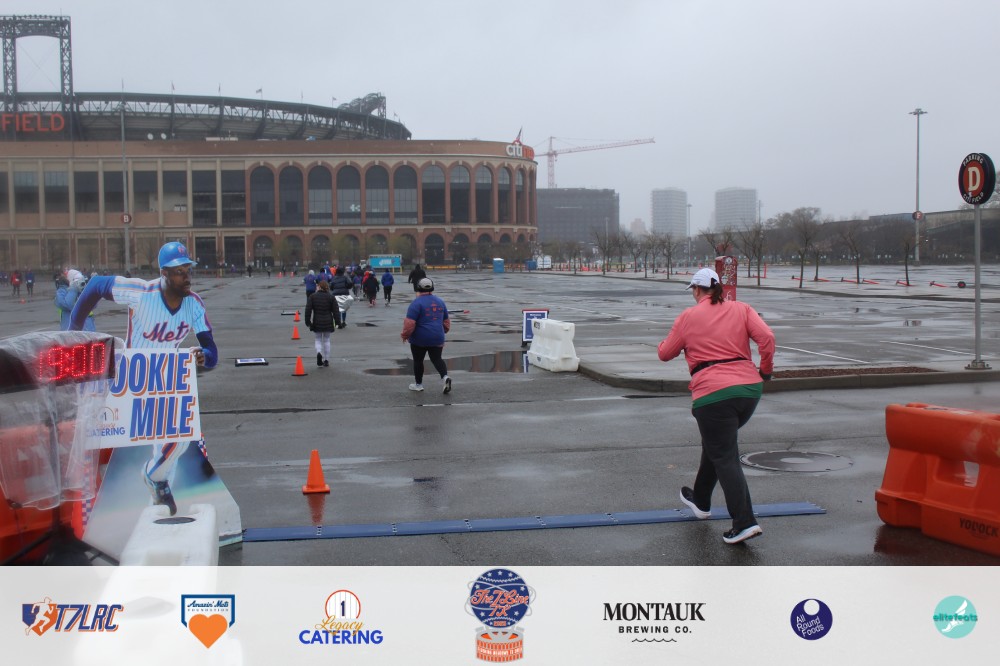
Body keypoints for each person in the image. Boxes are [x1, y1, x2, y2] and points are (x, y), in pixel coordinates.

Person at [70, 241, 218, 516]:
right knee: (103, 438)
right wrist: (73, 332)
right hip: (133, 380)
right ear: (164, 273)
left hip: (165, 381)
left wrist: (203, 356)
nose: (186, 276)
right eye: (179, 271)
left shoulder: (194, 304)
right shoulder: (141, 292)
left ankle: (156, 490)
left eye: (188, 269)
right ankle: (103, 502)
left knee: (179, 441)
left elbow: (212, 352)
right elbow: (96, 286)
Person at [657, 267, 775, 545]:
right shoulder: (742, 309)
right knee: (717, 445)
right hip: (749, 390)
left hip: (713, 393)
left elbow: (665, 353)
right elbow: (767, 338)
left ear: (697, 290)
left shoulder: (688, 317)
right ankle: (700, 500)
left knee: (725, 455)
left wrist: (677, 341)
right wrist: (766, 371)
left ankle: (745, 522)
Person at [400, 277, 451, 393]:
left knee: (418, 360)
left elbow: (409, 323)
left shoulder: (416, 303)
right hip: (437, 336)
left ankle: (418, 385)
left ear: (418, 288)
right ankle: (445, 377)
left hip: (419, 338)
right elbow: (446, 322)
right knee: (437, 359)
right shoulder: (440, 301)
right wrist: (442, 331)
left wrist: (405, 335)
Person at [305, 279, 341, 367]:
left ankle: (319, 352)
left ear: (319, 287)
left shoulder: (312, 296)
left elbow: (308, 310)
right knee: (327, 340)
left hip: (317, 321)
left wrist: (308, 322)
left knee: (318, 339)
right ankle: (326, 360)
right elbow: (336, 311)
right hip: (328, 321)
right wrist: (338, 322)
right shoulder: (331, 297)